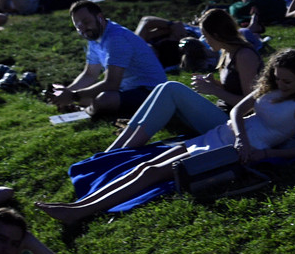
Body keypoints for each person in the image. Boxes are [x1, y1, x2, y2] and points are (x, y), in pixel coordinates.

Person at [36, 49, 295, 224]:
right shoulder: (273, 86)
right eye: (277, 77)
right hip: (227, 135)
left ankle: (83, 212)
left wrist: (262, 153)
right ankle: (79, 206)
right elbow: (238, 110)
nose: (280, 83)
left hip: (239, 151)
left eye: (287, 80)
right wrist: (240, 135)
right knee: (144, 166)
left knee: (154, 173)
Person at [108, 9, 262, 151]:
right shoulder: (227, 52)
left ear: (217, 34)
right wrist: (215, 84)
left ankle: (125, 150)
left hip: (235, 125)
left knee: (172, 89)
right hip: (222, 115)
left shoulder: (244, 56)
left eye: (206, 35)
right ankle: (117, 147)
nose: (204, 40)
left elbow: (249, 105)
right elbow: (236, 89)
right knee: (163, 88)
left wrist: (213, 90)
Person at [44, 0, 168, 118]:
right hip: (127, 89)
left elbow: (112, 84)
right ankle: (83, 108)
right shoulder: (94, 37)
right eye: (78, 26)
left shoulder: (116, 38)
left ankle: (84, 112)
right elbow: (89, 74)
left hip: (151, 92)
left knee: (104, 99)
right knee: (89, 96)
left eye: (86, 22)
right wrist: (66, 93)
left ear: (100, 18)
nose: (83, 29)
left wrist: (73, 96)